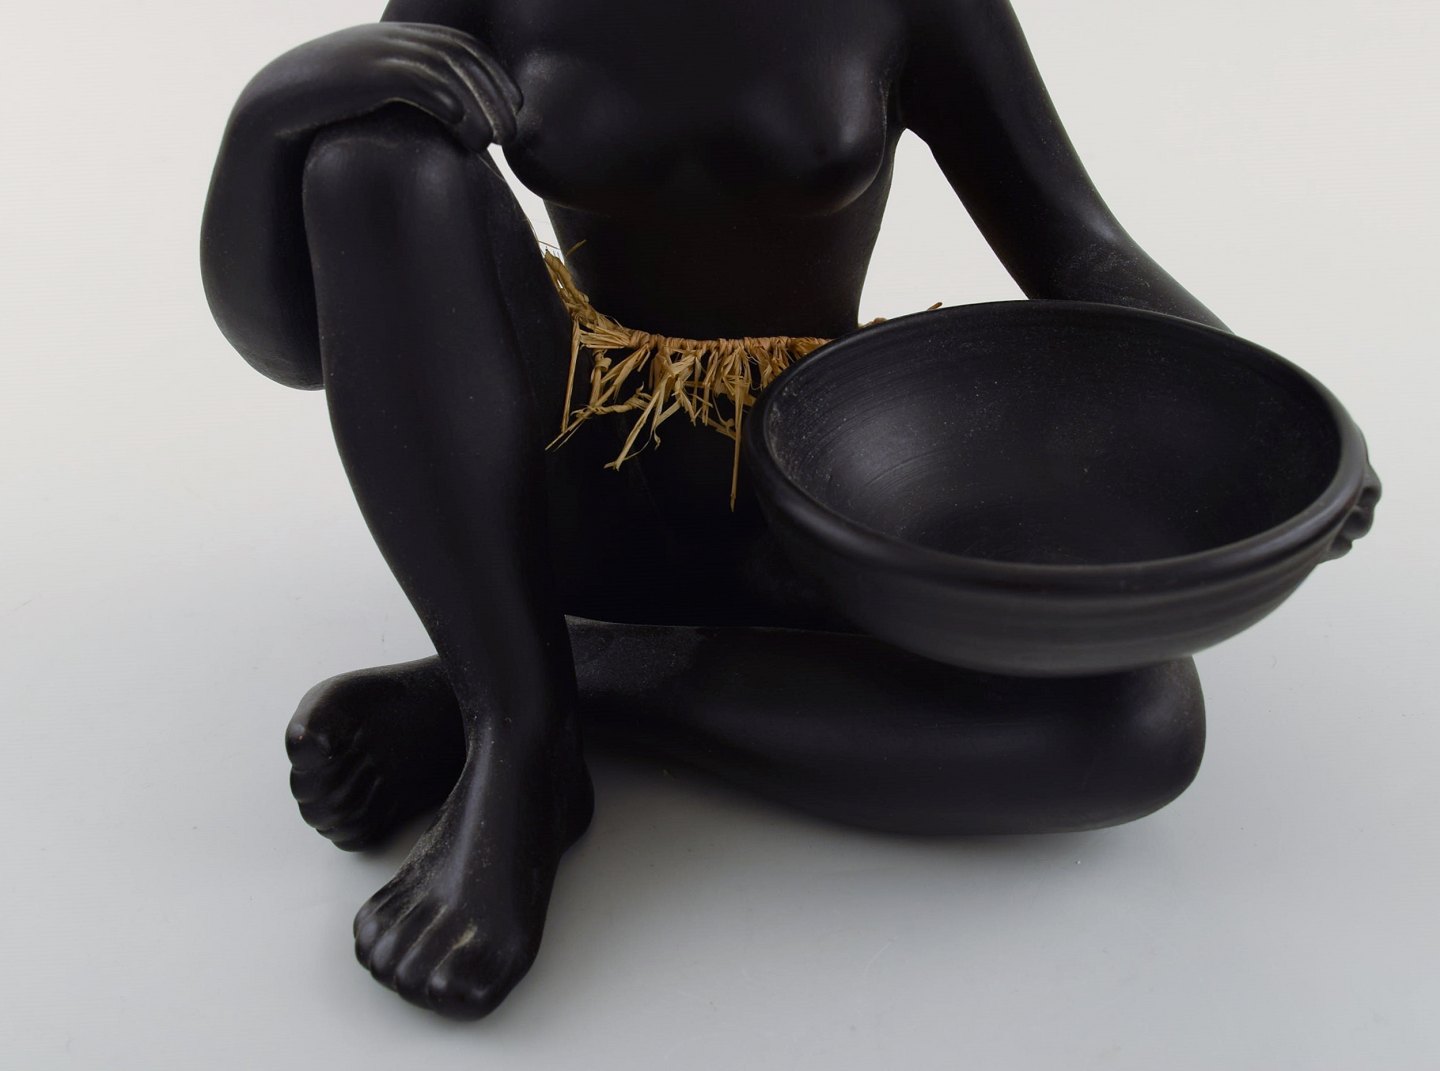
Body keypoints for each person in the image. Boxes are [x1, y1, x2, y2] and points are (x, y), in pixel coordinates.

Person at [201, 0, 1221, 1020]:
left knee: (1138, 724)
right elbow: (304, 348)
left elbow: (1074, 245)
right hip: (573, 476)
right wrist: (272, 117)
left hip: (812, 492)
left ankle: (573, 681)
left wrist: (1252, 422)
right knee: (375, 162)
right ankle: (517, 734)